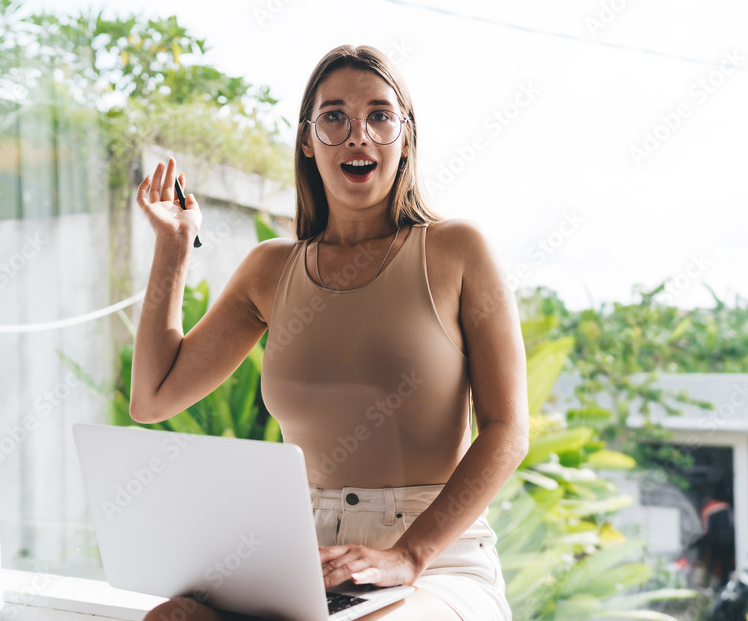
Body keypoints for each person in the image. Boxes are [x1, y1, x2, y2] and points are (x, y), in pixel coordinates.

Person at [131, 45, 529, 621]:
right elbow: (152, 398)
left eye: (380, 115)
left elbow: (507, 430)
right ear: (306, 139)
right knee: (172, 619)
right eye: (334, 116)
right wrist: (173, 247)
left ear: (405, 136)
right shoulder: (270, 270)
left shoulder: (456, 250)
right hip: (309, 555)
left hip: (437, 560)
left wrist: (409, 556)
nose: (357, 134)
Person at [698, 493, 735, 589]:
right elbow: (731, 522)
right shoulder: (726, 506)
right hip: (727, 538)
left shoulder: (706, 510)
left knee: (712, 562)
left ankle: (706, 584)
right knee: (725, 562)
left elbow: (705, 529)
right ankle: (724, 583)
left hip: (715, 540)